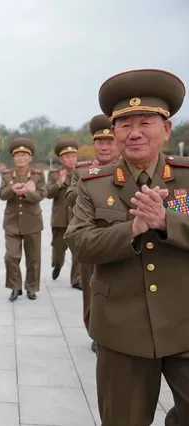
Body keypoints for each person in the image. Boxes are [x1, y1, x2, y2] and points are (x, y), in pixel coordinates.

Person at [64, 69, 187, 425]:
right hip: (121, 328)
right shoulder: (94, 185)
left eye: (145, 121)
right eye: (124, 124)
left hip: (184, 320)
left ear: (166, 129)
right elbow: (80, 243)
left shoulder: (187, 176)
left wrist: (168, 222)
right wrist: (131, 229)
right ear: (114, 132)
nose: (134, 133)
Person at [66, 114, 120, 353]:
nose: (105, 146)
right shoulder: (84, 172)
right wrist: (94, 193)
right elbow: (70, 197)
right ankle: (95, 332)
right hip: (92, 237)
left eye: (109, 142)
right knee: (91, 289)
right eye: (100, 142)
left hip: (121, 237)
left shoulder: (127, 169)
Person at [0, 138, 46, 301]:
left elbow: (41, 195)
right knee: (11, 256)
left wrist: (27, 193)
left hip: (32, 222)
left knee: (33, 258)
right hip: (12, 222)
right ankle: (15, 286)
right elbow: (1, 195)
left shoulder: (38, 175)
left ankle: (31, 287)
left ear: (30, 157)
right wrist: (12, 189)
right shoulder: (6, 175)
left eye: (24, 155)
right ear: (13, 158)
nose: (20, 158)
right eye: (17, 155)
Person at [46, 136, 81, 290]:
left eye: (73, 156)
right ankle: (58, 264)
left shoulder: (82, 173)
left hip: (77, 217)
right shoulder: (54, 174)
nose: (71, 160)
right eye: (67, 157)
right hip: (60, 218)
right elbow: (48, 193)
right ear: (61, 159)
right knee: (58, 247)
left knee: (78, 250)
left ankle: (76, 279)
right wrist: (58, 184)